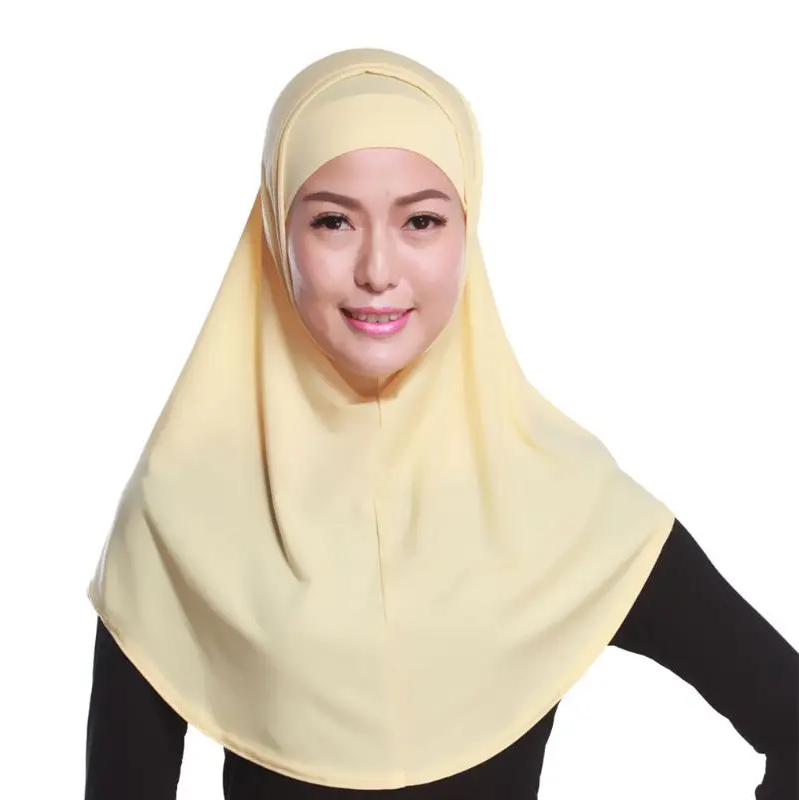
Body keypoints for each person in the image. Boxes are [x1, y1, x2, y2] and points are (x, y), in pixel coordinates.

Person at [84, 48, 798, 799]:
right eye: (332, 221)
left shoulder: (565, 502)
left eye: (421, 220)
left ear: (468, 228)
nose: (377, 269)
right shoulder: (182, 507)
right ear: (274, 231)